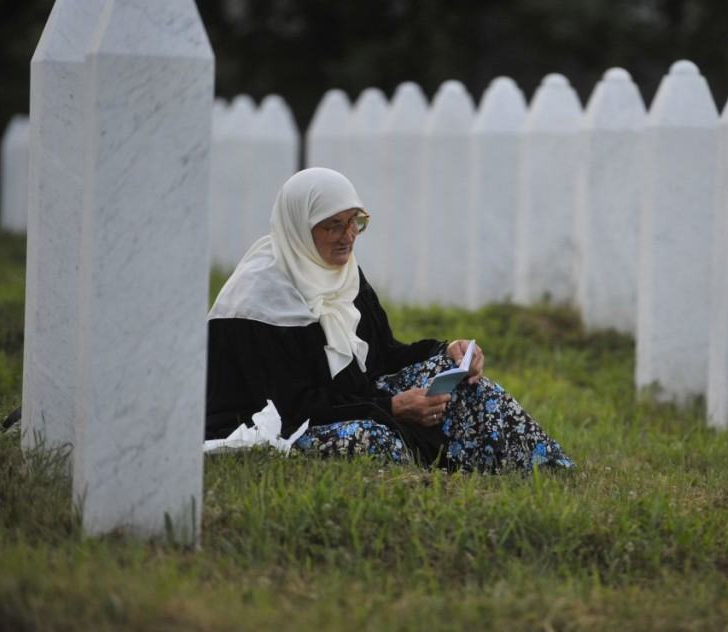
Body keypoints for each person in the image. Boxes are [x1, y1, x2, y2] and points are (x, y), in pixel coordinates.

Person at [206, 167, 573, 472]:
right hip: (277, 426)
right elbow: (291, 406)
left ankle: (546, 469)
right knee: (372, 439)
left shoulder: (343, 275)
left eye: (355, 222)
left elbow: (383, 355)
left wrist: (448, 351)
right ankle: (436, 479)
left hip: (351, 401)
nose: (348, 237)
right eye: (333, 225)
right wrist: (391, 408)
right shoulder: (259, 299)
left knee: (467, 384)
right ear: (300, 228)